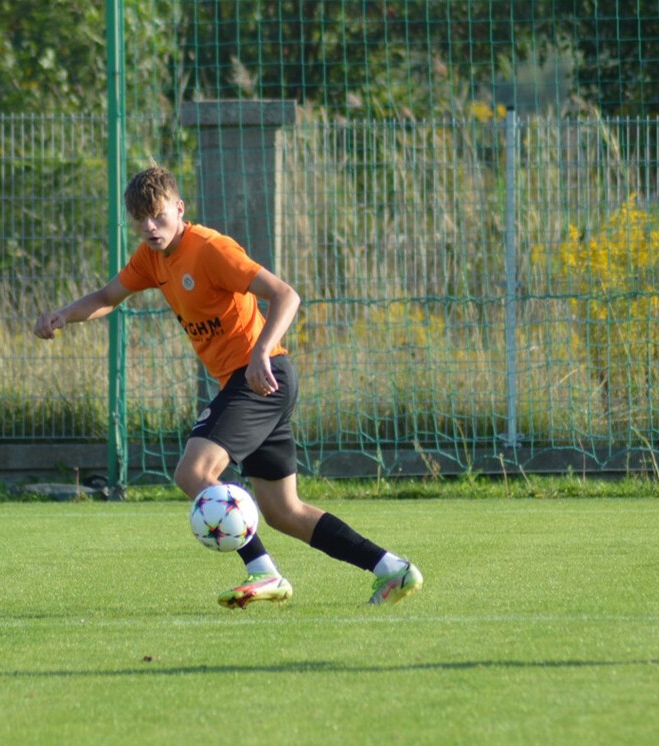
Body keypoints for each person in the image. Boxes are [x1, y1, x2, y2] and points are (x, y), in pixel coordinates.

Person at [34, 166, 423, 608]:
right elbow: (106, 298)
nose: (149, 226)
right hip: (256, 382)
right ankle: (392, 568)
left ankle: (264, 573)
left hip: (258, 377)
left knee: (193, 473)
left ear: (178, 209)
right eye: (140, 218)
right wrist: (63, 314)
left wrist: (260, 351)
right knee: (282, 512)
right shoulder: (151, 257)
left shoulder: (210, 249)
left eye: (158, 216)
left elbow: (285, 294)